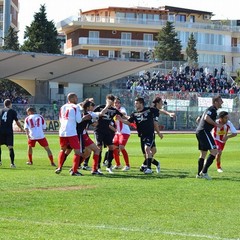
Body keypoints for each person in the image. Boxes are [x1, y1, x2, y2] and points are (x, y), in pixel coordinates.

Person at [118, 97, 162, 174]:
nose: (135, 105)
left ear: (141, 103)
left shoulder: (149, 110)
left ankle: (149, 169)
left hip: (150, 134)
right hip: (142, 136)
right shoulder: (134, 114)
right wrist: (121, 120)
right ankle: (157, 163)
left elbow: (159, 110)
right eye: (135, 103)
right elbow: (129, 122)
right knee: (146, 156)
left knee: (147, 149)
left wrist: (169, 113)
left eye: (137, 103)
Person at [93, 94, 124, 174]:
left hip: (107, 131)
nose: (110, 102)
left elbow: (122, 116)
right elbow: (92, 114)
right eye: (109, 100)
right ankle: (98, 166)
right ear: (106, 100)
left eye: (112, 101)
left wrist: (129, 118)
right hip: (99, 130)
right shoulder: (100, 107)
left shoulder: (114, 110)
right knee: (98, 148)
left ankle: (108, 166)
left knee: (111, 147)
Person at [195, 95, 223, 180]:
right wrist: (216, 124)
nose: (222, 102)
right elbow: (206, 118)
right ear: (215, 102)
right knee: (214, 151)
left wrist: (201, 126)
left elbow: (198, 119)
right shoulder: (212, 110)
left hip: (200, 131)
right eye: (220, 100)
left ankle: (199, 174)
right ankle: (204, 172)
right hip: (204, 132)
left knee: (203, 154)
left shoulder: (208, 109)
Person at [55, 92, 83, 176]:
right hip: (71, 131)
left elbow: (60, 119)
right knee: (77, 151)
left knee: (62, 149)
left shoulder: (62, 107)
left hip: (62, 131)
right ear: (72, 98)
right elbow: (79, 120)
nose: (77, 99)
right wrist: (84, 117)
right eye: (75, 98)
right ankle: (74, 171)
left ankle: (59, 167)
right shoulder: (75, 107)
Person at [0, 99, 24, 168]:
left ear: (4, 104)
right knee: (10, 147)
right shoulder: (12, 111)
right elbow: (17, 121)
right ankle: (12, 164)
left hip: (1, 131)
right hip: (9, 131)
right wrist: (21, 128)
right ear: (10, 104)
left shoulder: (0, 111)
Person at [112, 97, 131, 171]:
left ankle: (127, 165)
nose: (116, 104)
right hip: (118, 132)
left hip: (124, 132)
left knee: (121, 147)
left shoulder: (122, 109)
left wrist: (116, 111)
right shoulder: (112, 110)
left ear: (120, 104)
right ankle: (118, 164)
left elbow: (123, 113)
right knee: (113, 147)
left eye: (118, 102)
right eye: (115, 102)